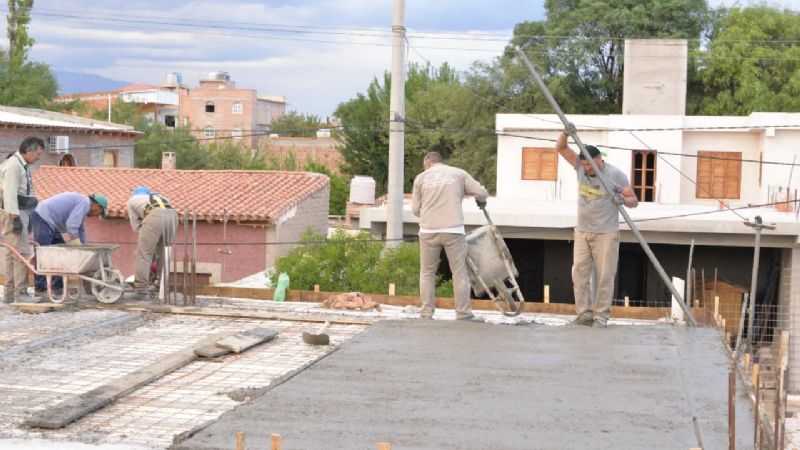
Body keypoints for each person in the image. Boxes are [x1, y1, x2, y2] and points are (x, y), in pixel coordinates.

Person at [556, 129, 638, 327]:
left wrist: (621, 199)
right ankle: (584, 315)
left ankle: (601, 317)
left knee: (604, 276)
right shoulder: (579, 167)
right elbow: (561, 147)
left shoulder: (615, 174)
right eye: (584, 165)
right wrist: (565, 134)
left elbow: (633, 200)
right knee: (579, 274)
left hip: (606, 234)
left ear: (599, 160)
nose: (587, 169)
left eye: (590, 165)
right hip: (582, 231)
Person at [411, 152, 489, 322]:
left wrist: (429, 213)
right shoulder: (458, 173)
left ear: (428, 164)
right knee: (459, 272)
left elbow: (416, 209)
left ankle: (426, 313)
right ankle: (463, 314)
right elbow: (481, 192)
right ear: (441, 162)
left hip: (428, 231)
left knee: (427, 273)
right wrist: (480, 200)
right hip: (453, 230)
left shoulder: (421, 178)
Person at [30, 192, 108, 295]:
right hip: (43, 218)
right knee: (43, 254)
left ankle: (57, 288)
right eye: (99, 212)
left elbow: (80, 229)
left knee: (61, 254)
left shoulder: (83, 204)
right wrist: (76, 244)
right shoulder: (85, 203)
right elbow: (71, 226)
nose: (96, 215)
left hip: (51, 224)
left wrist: (84, 248)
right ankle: (40, 289)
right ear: (97, 206)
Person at [0, 137, 44, 303]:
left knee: (12, 253)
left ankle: (10, 293)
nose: (39, 157)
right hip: (14, 212)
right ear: (29, 150)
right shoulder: (14, 165)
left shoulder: (21, 165)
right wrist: (15, 218)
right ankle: (21, 292)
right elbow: (9, 193)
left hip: (20, 211)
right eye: (38, 153)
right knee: (22, 253)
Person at [126, 186, 178, 299]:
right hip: (173, 216)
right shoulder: (162, 197)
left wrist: (148, 243)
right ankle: (161, 286)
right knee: (164, 254)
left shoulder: (132, 201)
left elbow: (136, 227)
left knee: (144, 255)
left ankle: (141, 290)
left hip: (154, 215)